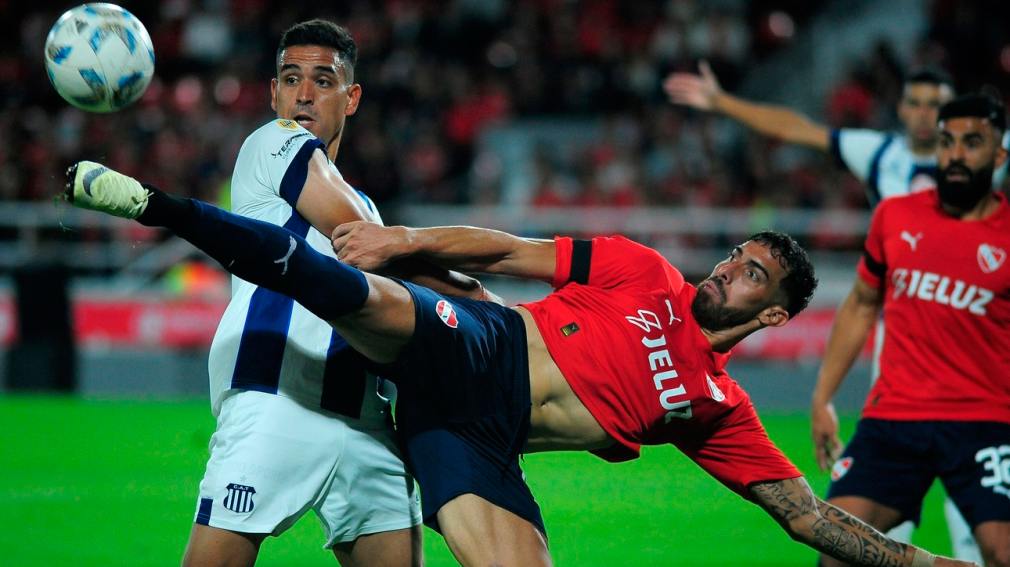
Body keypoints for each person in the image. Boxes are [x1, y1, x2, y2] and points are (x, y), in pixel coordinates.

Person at [64, 159, 975, 567]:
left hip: (473, 441)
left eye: (751, 275)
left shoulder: (718, 410)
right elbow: (511, 252)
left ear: (770, 313)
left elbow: (807, 516)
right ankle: (157, 204)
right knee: (340, 284)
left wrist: (927, 564)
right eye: (734, 253)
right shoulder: (646, 270)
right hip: (487, 342)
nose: (727, 268)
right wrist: (408, 237)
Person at [181, 19, 489, 567]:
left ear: (352, 98)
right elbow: (362, 246)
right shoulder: (270, 146)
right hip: (275, 400)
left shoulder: (370, 207)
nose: (303, 94)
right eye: (291, 78)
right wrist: (490, 311)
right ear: (272, 92)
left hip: (365, 419)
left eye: (323, 81)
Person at [665, 63, 987, 560]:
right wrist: (725, 103)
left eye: (936, 104)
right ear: (901, 109)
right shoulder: (883, 157)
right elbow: (796, 130)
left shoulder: (993, 186)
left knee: (987, 543)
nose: (925, 115)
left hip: (982, 385)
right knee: (848, 546)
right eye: (916, 103)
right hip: (903, 374)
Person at [810, 93, 1010, 567]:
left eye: (972, 142)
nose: (955, 155)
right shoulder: (895, 216)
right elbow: (861, 304)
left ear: (999, 156)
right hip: (895, 417)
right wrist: (823, 398)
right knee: (835, 545)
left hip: (986, 419)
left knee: (1002, 553)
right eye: (946, 142)